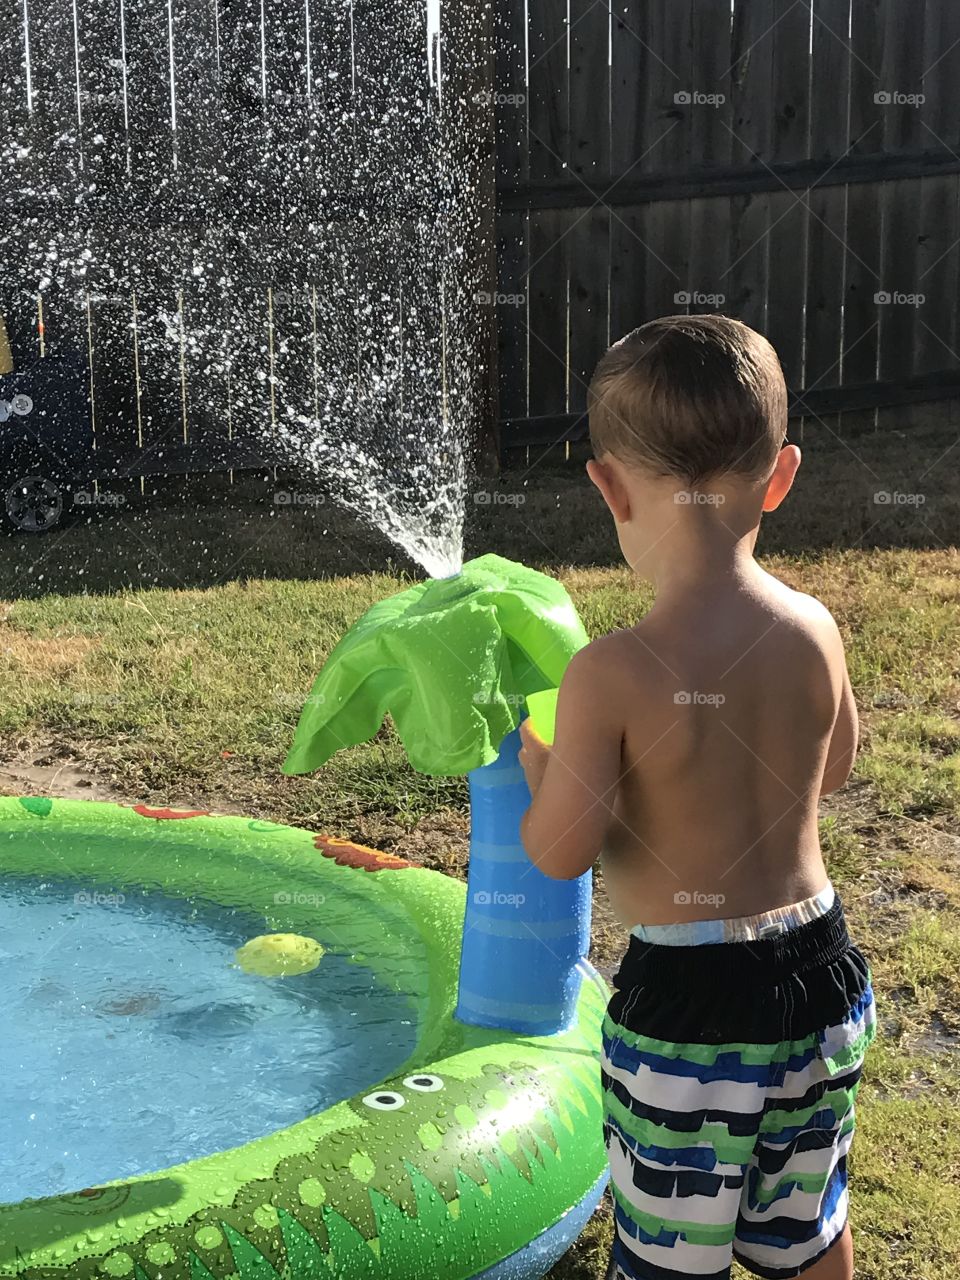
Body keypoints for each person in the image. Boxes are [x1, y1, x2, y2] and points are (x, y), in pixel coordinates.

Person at [518, 315, 875, 1280]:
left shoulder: (613, 672)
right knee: (806, 1221)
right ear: (782, 475)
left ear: (606, 486)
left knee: (675, 1250)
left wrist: (541, 761)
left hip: (688, 1015)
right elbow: (833, 767)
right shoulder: (813, 628)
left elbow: (557, 852)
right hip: (821, 976)